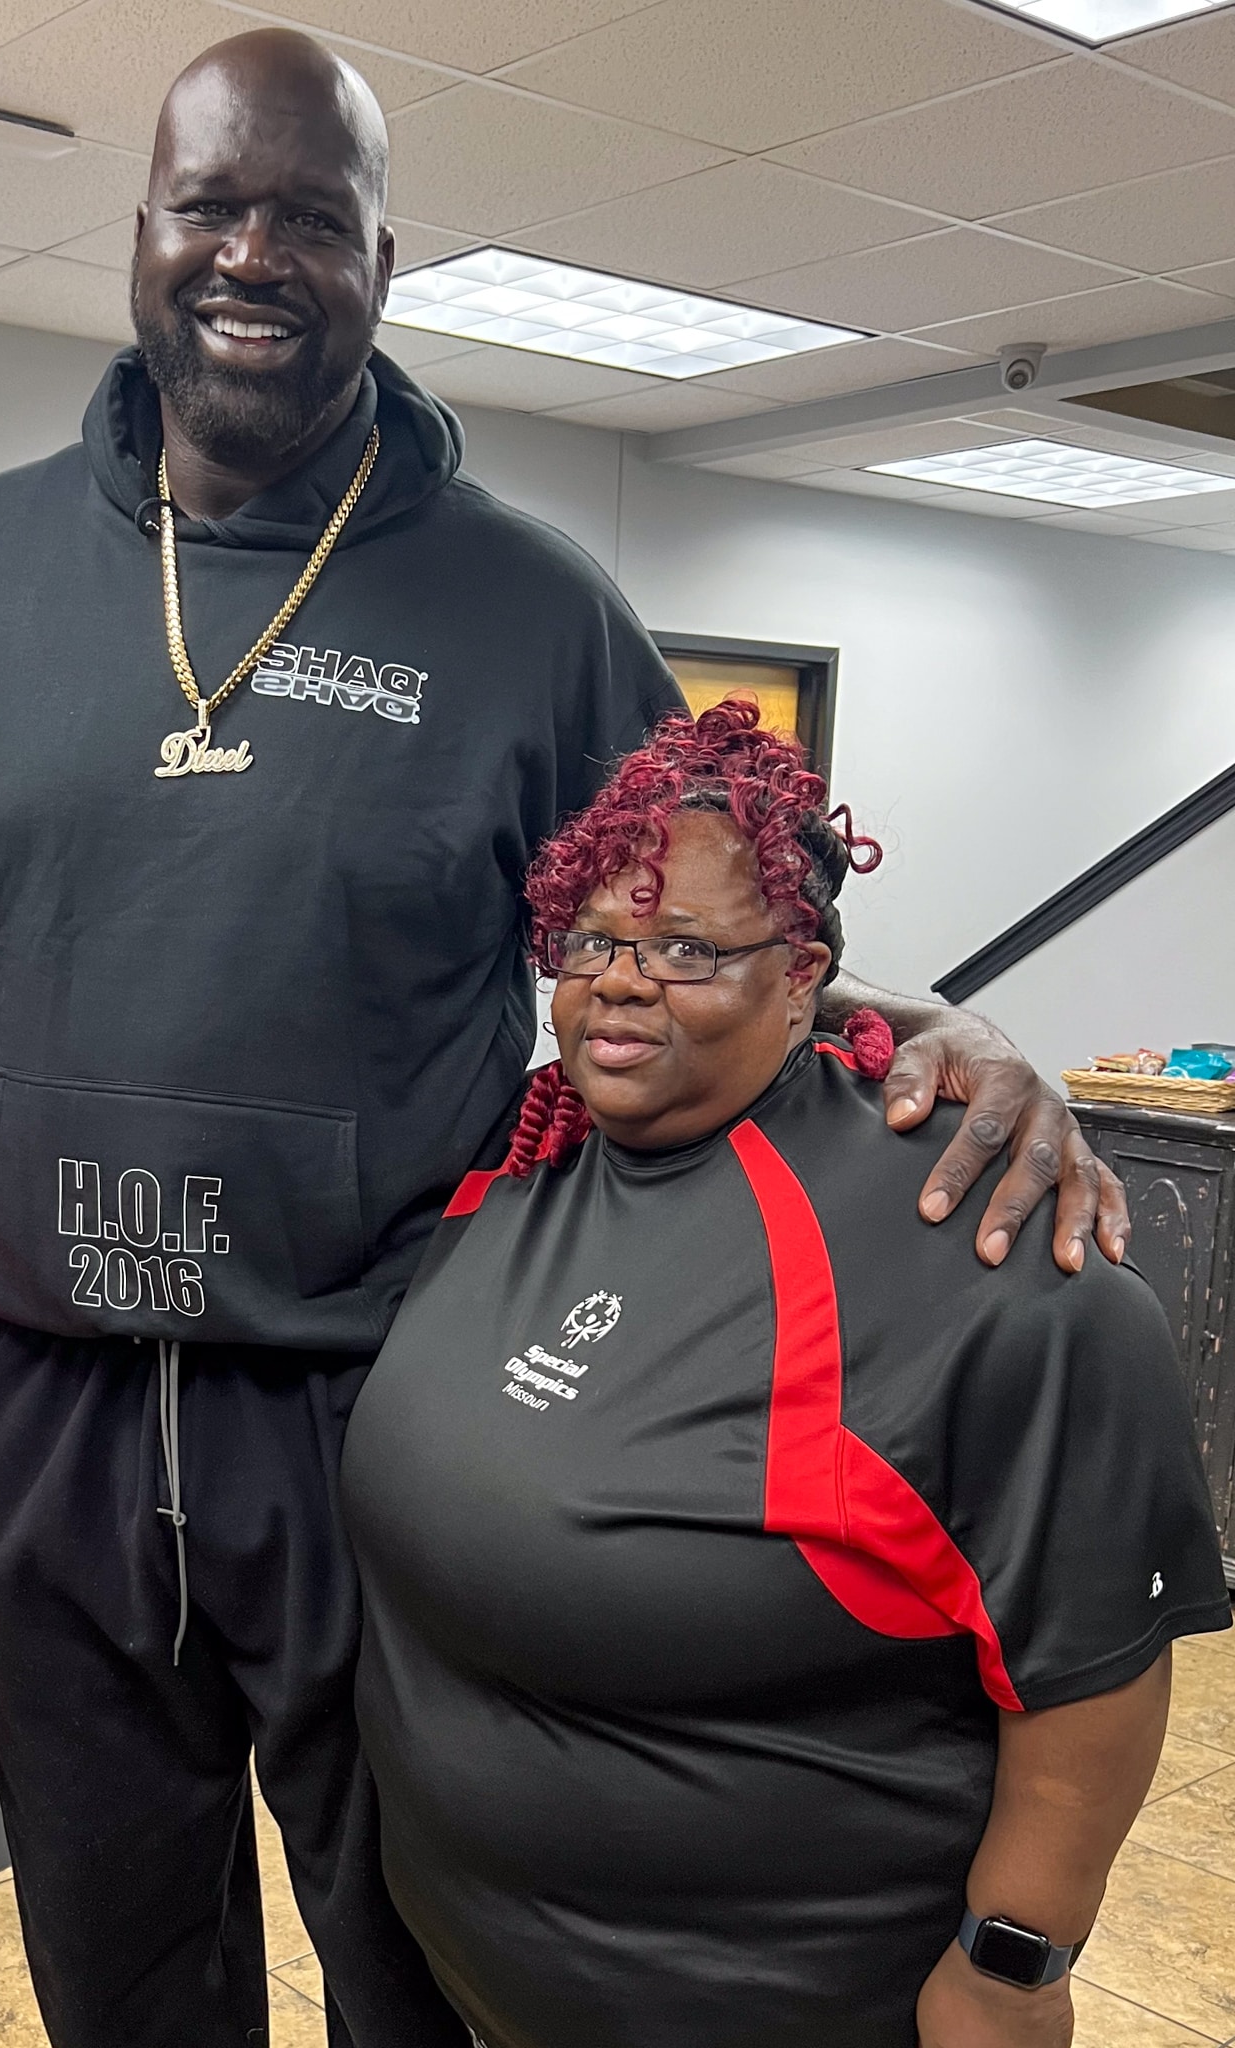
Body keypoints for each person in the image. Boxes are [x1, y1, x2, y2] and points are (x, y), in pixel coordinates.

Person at [0, 30, 1129, 2048]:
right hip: (40, 1408)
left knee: (404, 1946)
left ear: (382, 260)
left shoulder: (526, 603)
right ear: (138, 234)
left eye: (308, 219)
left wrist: (936, 1021)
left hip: (375, 1402)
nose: (251, 252)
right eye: (208, 206)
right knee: (115, 1953)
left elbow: (697, 930)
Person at [342, 701, 1227, 2048]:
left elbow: (1090, 1671)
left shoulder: (981, 1265)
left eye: (689, 948)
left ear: (806, 972)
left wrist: (1011, 1968)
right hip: (480, 1978)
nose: (622, 983)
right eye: (592, 943)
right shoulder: (520, 1160)